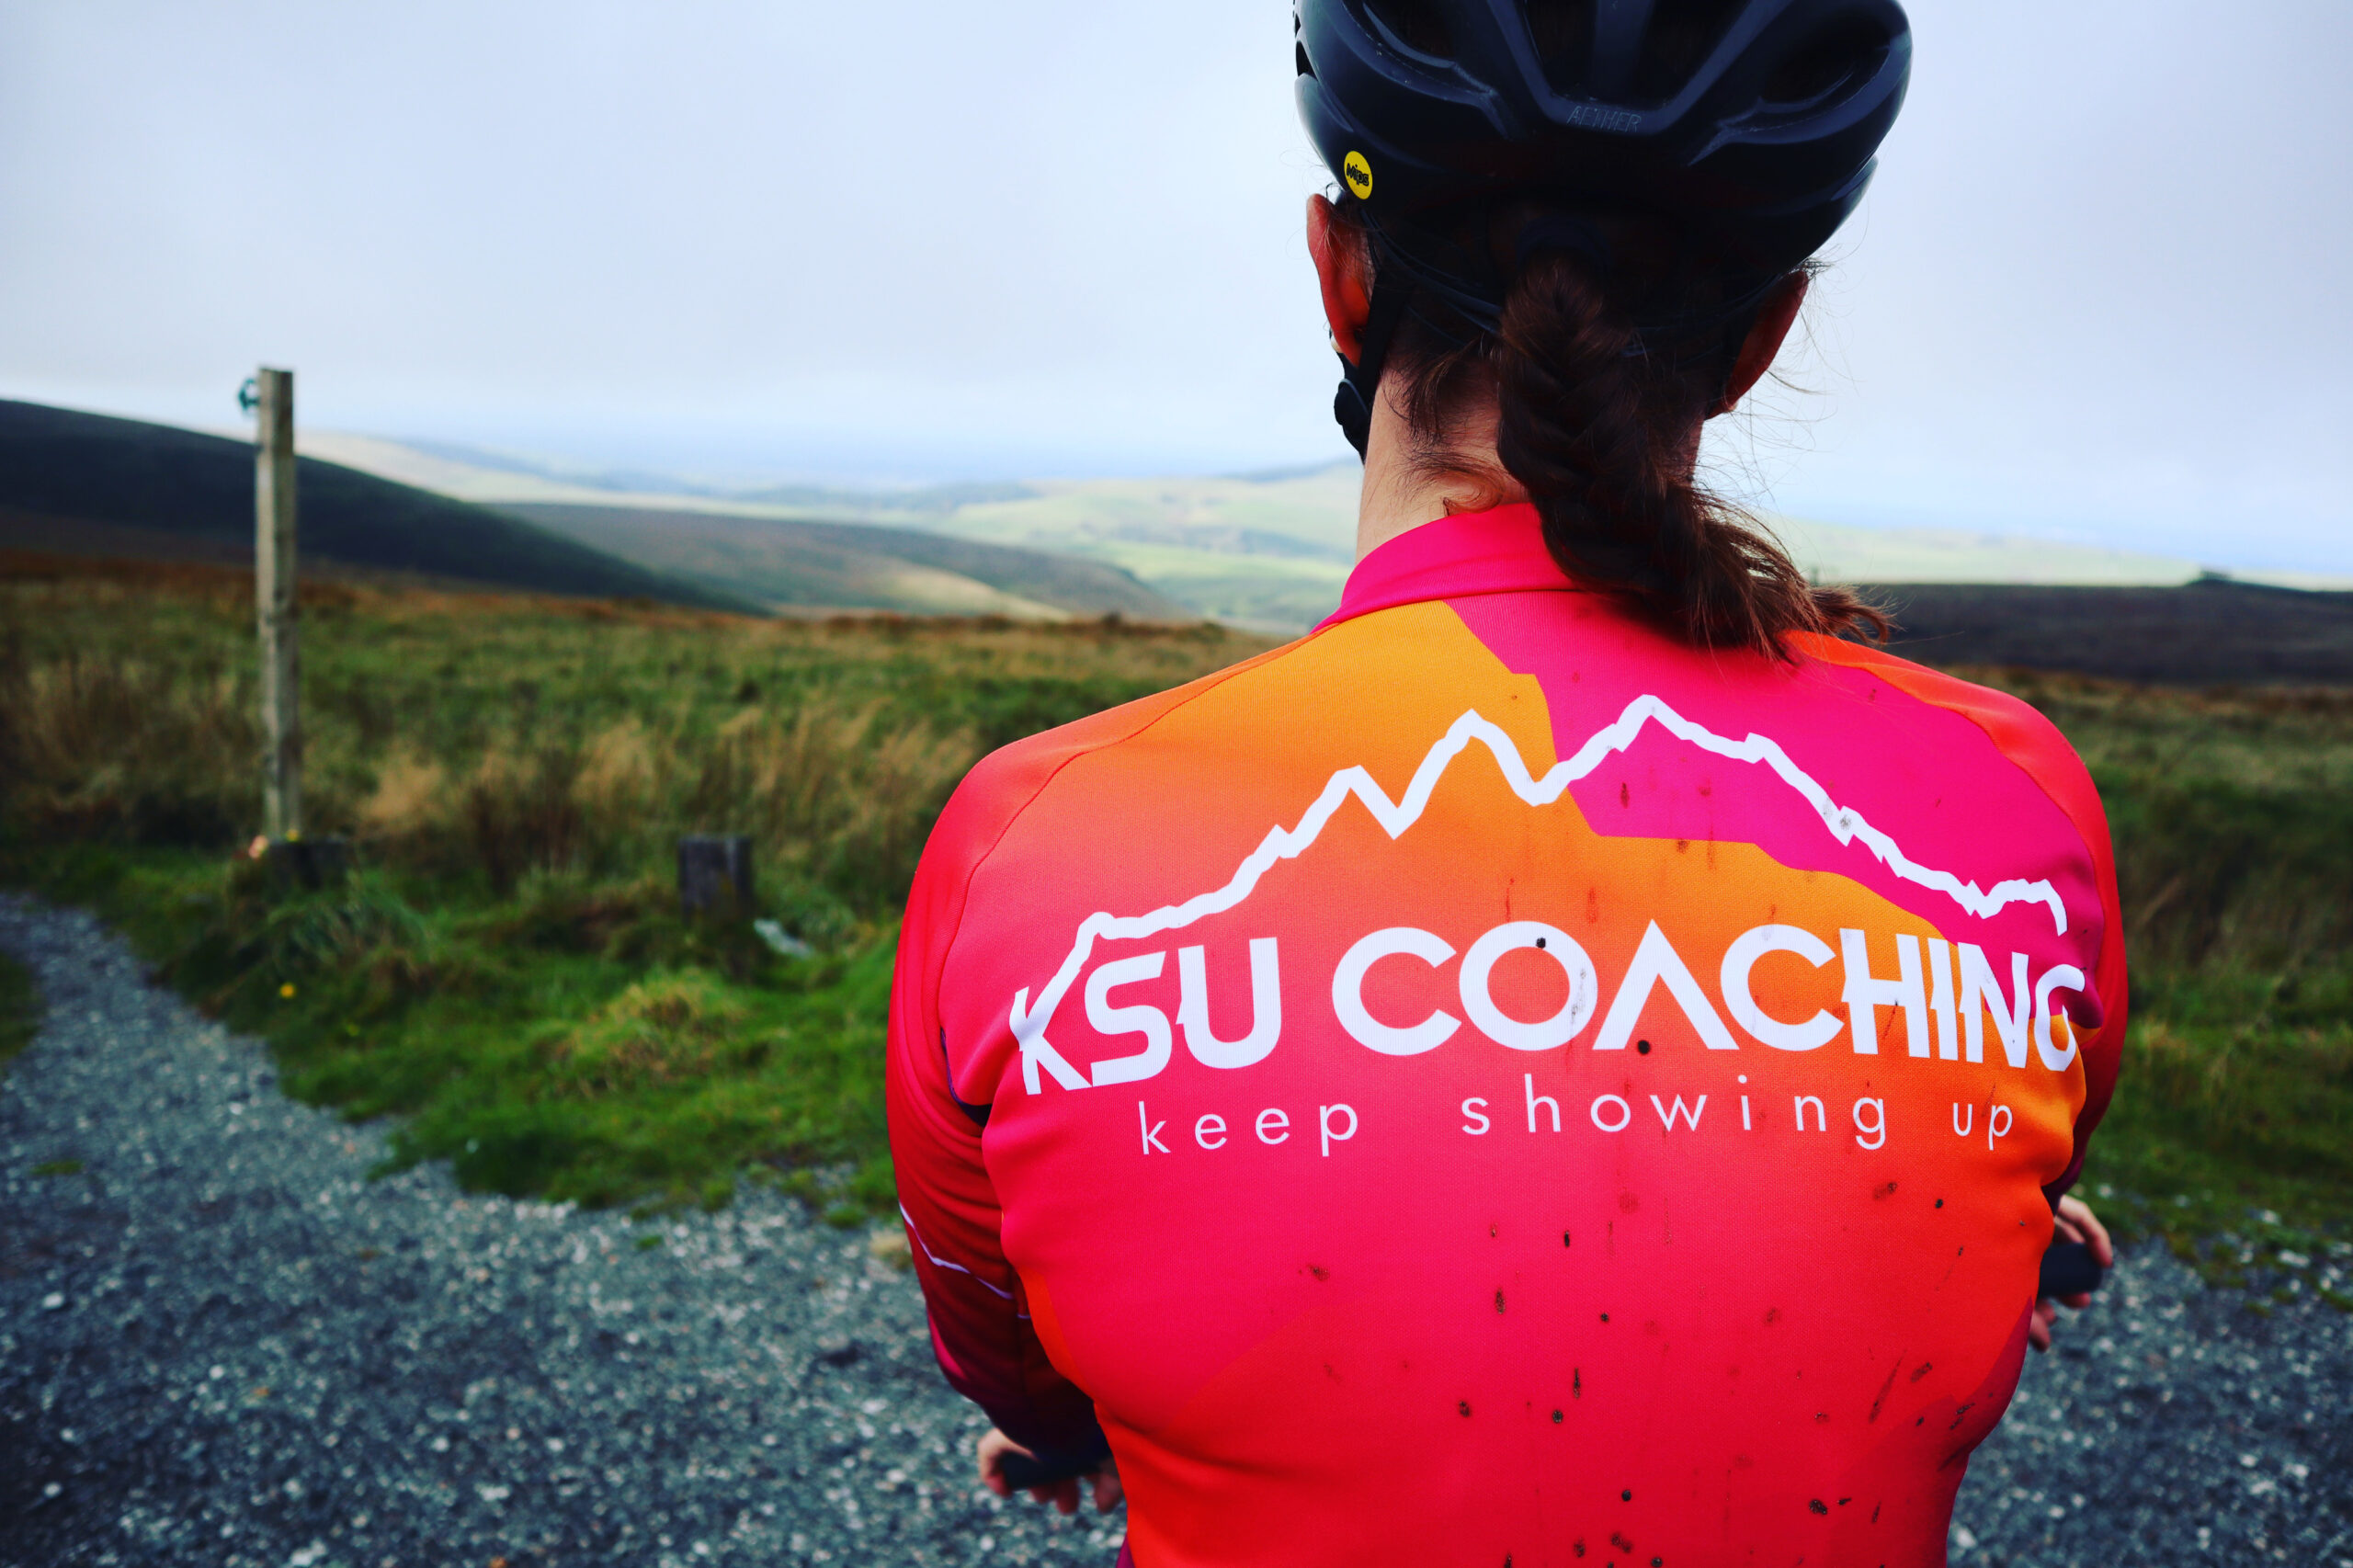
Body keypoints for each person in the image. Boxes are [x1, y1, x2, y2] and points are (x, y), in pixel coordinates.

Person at [886, 1, 2123, 1561]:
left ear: (1340, 277)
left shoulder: (1032, 843)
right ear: (1762, 339)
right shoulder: (2011, 806)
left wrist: (1083, 1423)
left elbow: (1018, 1360)